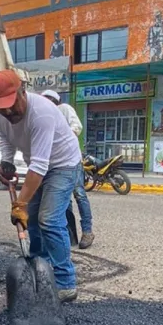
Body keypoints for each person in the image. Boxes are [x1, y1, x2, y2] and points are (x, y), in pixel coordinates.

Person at [0, 70, 81, 302]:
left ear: (23, 91)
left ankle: (65, 283)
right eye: (2, 107)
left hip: (64, 165)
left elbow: (40, 166)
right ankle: (40, 271)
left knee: (49, 219)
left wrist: (20, 202)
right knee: (32, 220)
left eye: (11, 103)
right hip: (39, 166)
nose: (8, 111)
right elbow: (5, 138)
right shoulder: (1, 114)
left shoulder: (41, 113)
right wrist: (7, 160)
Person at [42, 88, 94, 249]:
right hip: (54, 165)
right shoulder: (43, 117)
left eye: (49, 101)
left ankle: (87, 231)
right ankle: (68, 233)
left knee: (79, 194)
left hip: (72, 162)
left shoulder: (64, 109)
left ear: (55, 101)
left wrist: (61, 139)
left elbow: (76, 127)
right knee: (65, 201)